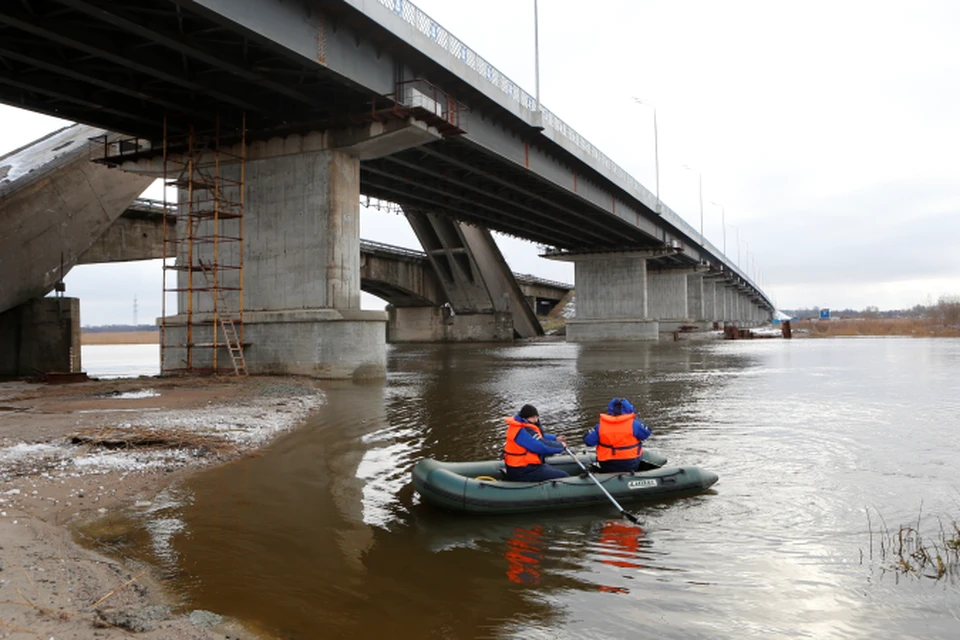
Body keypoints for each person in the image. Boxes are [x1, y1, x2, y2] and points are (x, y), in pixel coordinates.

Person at [503, 404, 570, 481]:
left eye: (536, 417)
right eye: (533, 417)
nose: (535, 420)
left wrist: (555, 438)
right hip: (522, 470)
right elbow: (540, 447)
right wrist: (560, 447)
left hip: (524, 467)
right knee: (564, 476)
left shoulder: (521, 425)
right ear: (525, 417)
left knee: (549, 468)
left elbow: (537, 437)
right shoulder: (521, 432)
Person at [583, 397, 652, 473]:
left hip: (607, 464)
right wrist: (635, 419)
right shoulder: (634, 424)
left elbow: (588, 441)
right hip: (630, 463)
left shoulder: (601, 426)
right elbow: (646, 433)